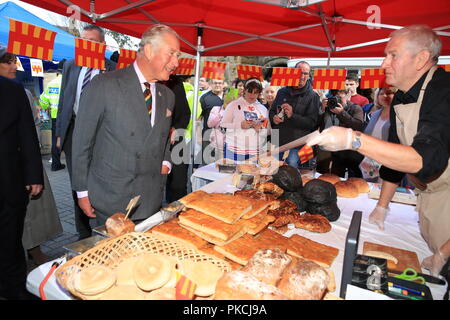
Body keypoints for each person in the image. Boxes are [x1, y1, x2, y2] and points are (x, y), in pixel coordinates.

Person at [306, 25, 450, 276]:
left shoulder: (444, 91)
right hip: (426, 200)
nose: (384, 63)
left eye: (393, 55)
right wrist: (382, 206)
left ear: (421, 58)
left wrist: (354, 138)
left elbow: (427, 161)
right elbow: (395, 155)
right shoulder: (402, 98)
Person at [71, 24, 179, 227]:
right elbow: (81, 143)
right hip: (109, 202)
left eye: (178, 56)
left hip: (150, 201)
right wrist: (82, 191)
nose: (176, 63)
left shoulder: (168, 96)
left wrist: (166, 161)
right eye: (171, 54)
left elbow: (163, 136)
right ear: (149, 50)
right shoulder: (104, 85)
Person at [0, 48, 62, 266]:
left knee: (31, 216)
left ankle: (34, 251)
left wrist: (33, 169)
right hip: (14, 167)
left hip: (25, 164)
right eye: (8, 62)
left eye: (14, 62)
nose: (13, 67)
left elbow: (28, 130)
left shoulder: (19, 92)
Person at [56, 25, 116, 240]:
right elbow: (64, 100)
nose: (86, 44)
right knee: (78, 184)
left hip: (104, 137)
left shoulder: (114, 69)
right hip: (75, 135)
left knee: (102, 182)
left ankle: (103, 228)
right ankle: (83, 234)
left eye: (91, 41)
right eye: (83, 40)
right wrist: (60, 134)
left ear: (102, 46)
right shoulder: (71, 66)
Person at [0, 66, 43, 299]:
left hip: (8, 182)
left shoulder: (13, 90)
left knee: (10, 241)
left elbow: (26, 133)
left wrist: (34, 174)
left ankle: (14, 289)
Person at [269, 60, 320, 168]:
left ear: (309, 76)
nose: (302, 76)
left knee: (291, 173)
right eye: (299, 72)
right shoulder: (282, 91)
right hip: (276, 139)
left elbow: (312, 123)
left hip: (296, 144)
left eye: (305, 73)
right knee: (272, 170)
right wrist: (273, 118)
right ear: (293, 73)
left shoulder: (313, 96)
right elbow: (272, 111)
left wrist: (292, 116)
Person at [317, 89, 364, 177]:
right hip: (325, 147)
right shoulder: (327, 106)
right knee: (321, 174)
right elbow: (315, 124)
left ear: (348, 95)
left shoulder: (355, 108)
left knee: (337, 176)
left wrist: (342, 113)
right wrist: (322, 109)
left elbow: (358, 126)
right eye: (335, 94)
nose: (337, 96)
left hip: (342, 149)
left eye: (341, 94)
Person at [220, 78, 270, 161]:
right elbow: (223, 124)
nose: (252, 95)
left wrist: (260, 129)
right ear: (245, 91)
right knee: (232, 173)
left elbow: (268, 130)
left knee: (252, 173)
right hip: (234, 149)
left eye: (255, 92)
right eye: (250, 91)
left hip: (255, 151)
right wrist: (240, 125)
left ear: (259, 93)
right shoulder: (234, 105)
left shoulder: (263, 109)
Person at [162, 74, 191, 203]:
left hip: (175, 141)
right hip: (152, 142)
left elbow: (185, 113)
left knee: (178, 184)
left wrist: (176, 128)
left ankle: (177, 214)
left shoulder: (175, 83)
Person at [359, 87, 396, 182]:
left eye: (389, 93)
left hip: (389, 163)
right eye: (381, 93)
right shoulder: (375, 114)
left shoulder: (399, 115)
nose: (384, 96)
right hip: (370, 162)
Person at [39, 68, 65, 171]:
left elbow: (43, 101)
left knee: (55, 140)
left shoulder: (51, 83)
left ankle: (55, 164)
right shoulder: (68, 82)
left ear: (57, 72)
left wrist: (48, 106)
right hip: (68, 117)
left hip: (55, 116)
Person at [199, 78, 224, 164]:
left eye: (220, 83)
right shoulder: (205, 98)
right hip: (208, 133)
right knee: (207, 161)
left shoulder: (230, 96)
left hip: (226, 136)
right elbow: (199, 117)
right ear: (211, 84)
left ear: (223, 84)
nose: (218, 85)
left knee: (222, 163)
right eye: (215, 83)